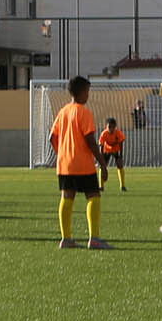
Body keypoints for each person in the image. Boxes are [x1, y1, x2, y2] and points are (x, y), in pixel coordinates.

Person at [48, 75, 109, 250]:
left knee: (67, 197)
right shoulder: (84, 112)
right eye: (88, 91)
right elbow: (90, 139)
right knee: (93, 196)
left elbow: (52, 137)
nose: (88, 95)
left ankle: (66, 239)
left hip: (65, 164)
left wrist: (62, 154)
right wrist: (102, 164)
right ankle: (94, 238)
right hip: (82, 163)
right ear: (82, 92)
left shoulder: (63, 111)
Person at [97, 117, 128, 191]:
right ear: (106, 126)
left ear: (115, 127)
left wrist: (120, 156)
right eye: (109, 127)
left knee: (120, 165)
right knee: (102, 167)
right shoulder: (104, 133)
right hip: (106, 150)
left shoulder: (118, 133)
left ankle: (122, 186)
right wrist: (101, 159)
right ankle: (101, 186)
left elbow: (121, 143)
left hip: (116, 150)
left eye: (113, 127)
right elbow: (101, 145)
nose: (111, 129)